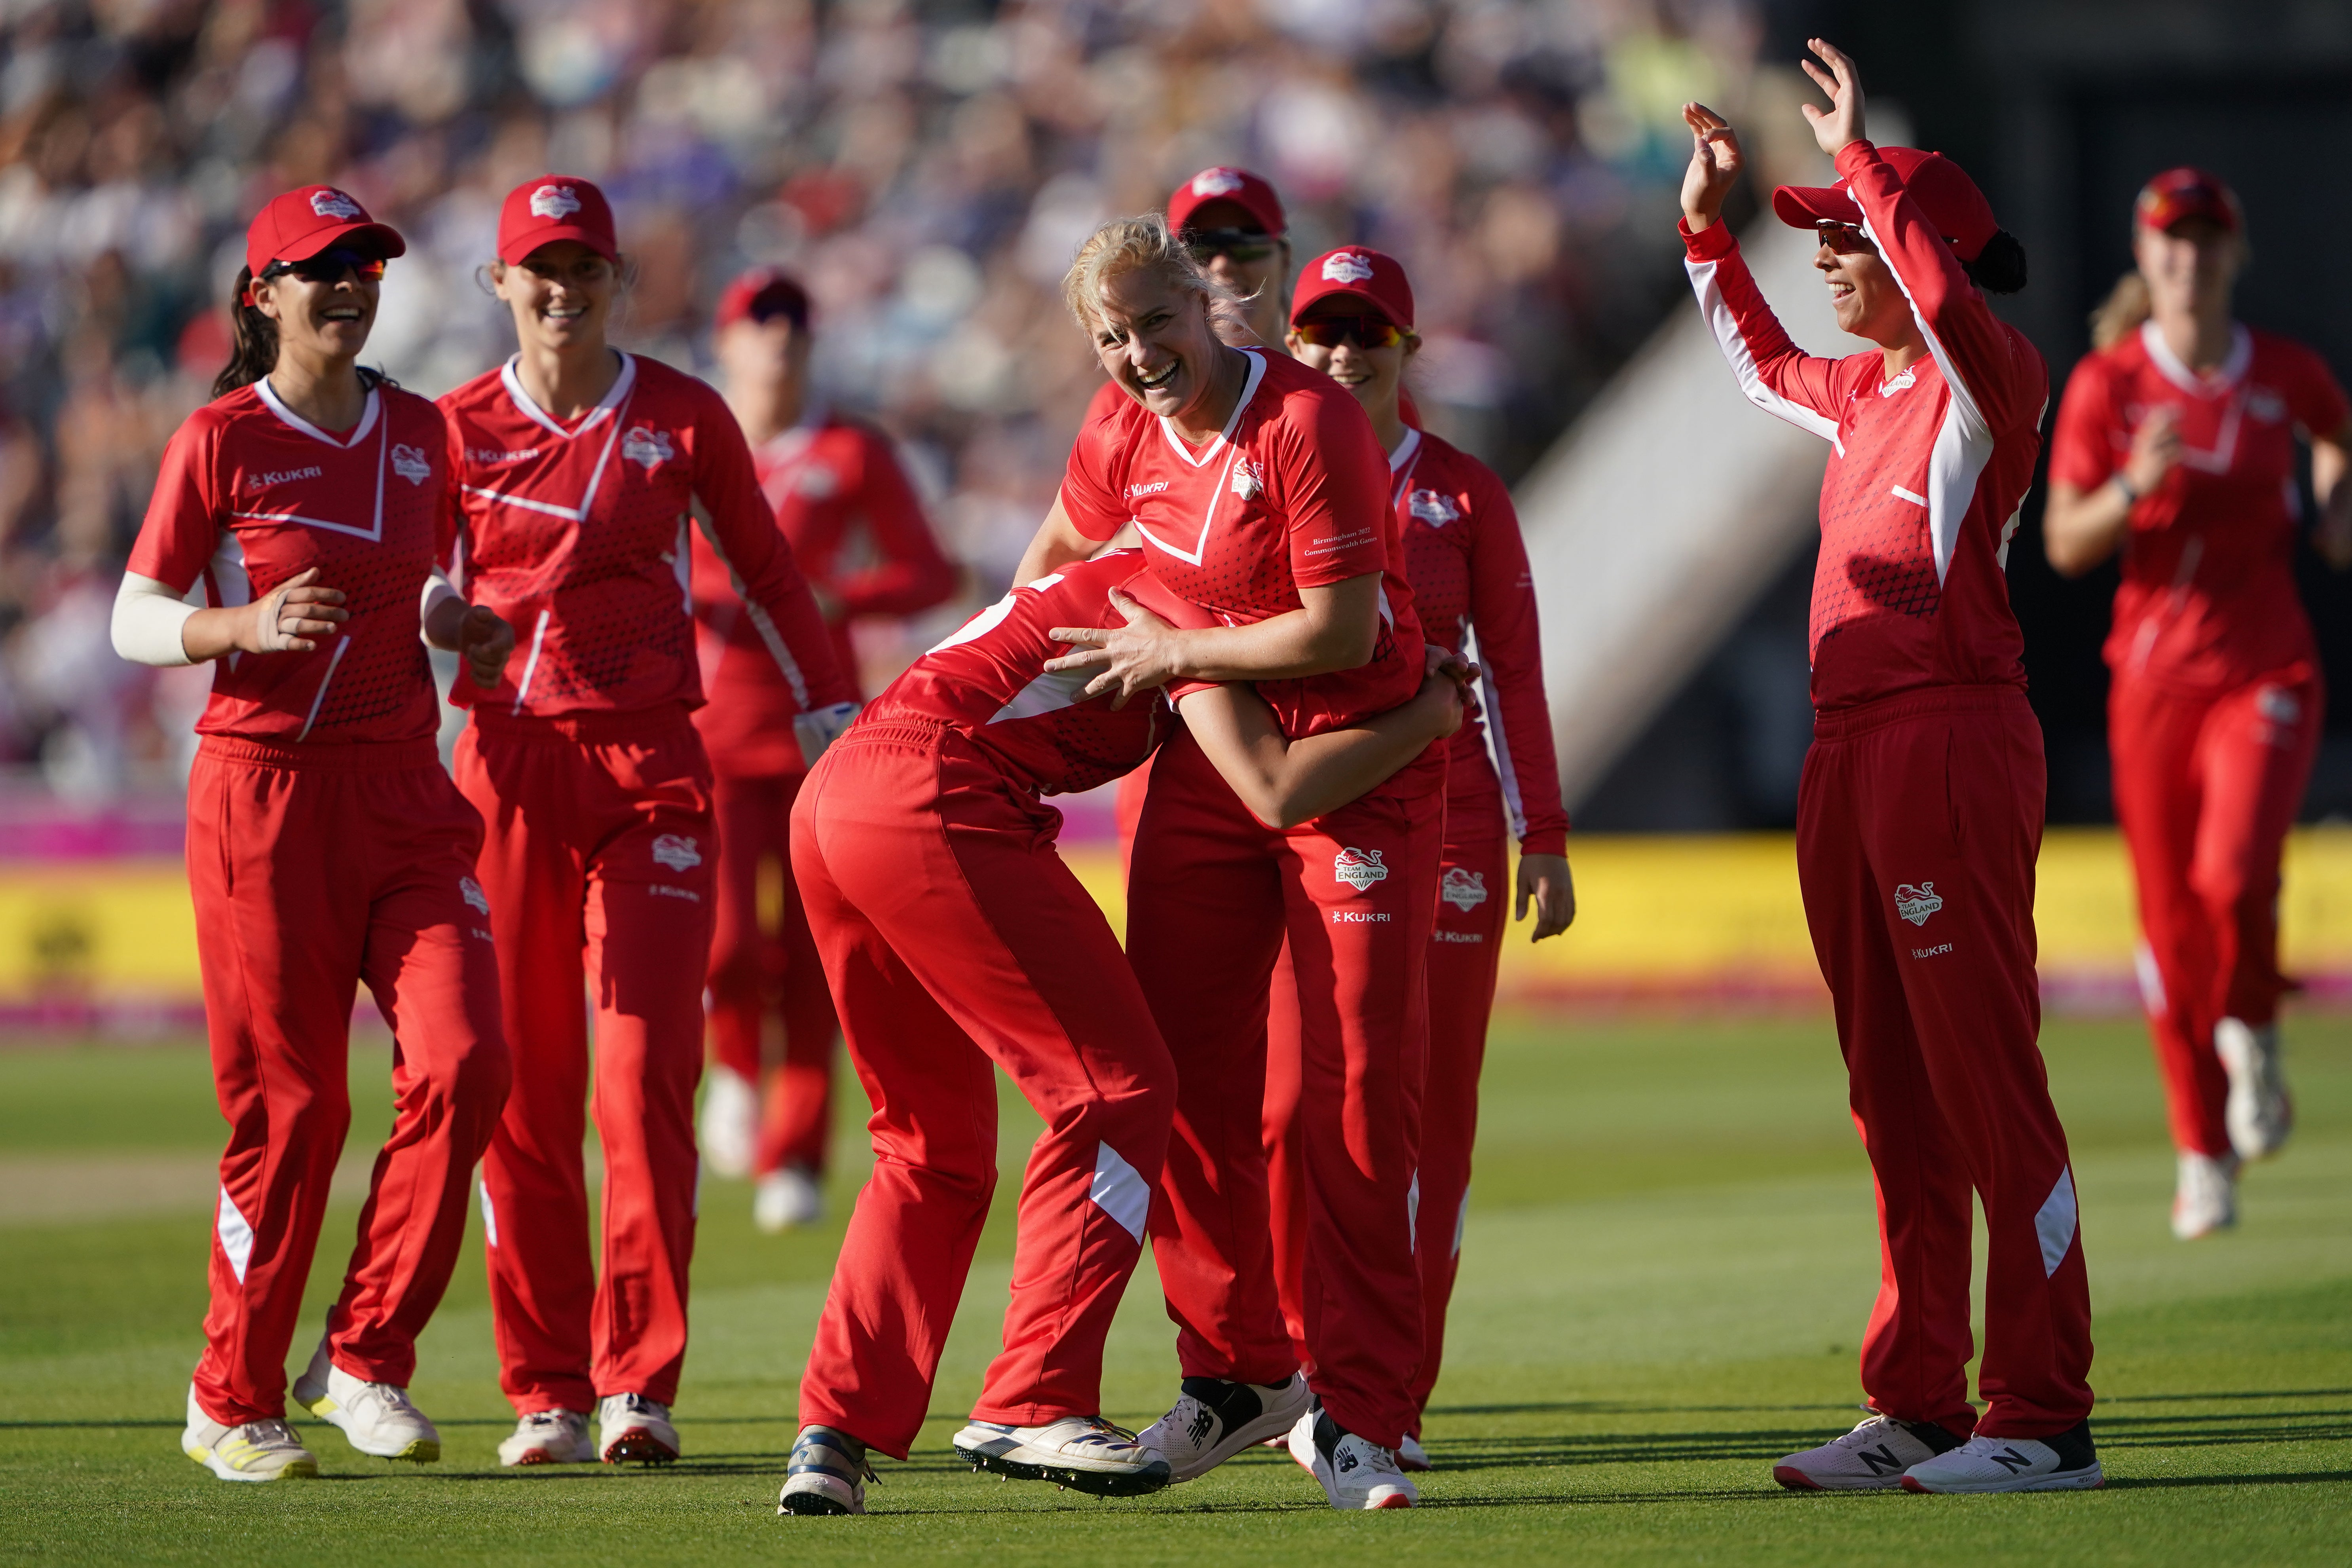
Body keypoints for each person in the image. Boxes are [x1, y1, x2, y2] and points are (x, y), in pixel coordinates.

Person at [777, 549, 1474, 1516]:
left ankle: (833, 1434)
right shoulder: (1191, 594)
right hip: (932, 797)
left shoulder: (1132, 557)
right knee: (1120, 1088)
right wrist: (1430, 716)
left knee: (927, 1148)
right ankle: (1034, 1397)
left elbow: (1062, 537)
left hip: (835, 796)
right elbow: (1274, 788)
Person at [1679, 42, 2100, 1493]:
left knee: (1984, 1079)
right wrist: (1701, 231)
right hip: (1847, 752)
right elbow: (1753, 361)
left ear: (1918, 253)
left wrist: (1870, 160)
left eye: (1844, 237)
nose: (1827, 258)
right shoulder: (1860, 400)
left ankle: (2042, 1416)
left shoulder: (1990, 378)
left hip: (1949, 733)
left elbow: (1940, 294)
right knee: (1894, 1095)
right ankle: (1918, 1400)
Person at [1020, 214, 1441, 1511]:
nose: (1140, 354)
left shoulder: (1309, 423)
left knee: (1354, 1096)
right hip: (1202, 768)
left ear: (1206, 303)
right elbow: (1049, 572)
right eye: (1112, 336)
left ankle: (1366, 1413)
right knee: (1180, 1080)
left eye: (1156, 321)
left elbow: (1340, 626)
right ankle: (1237, 1376)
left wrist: (1175, 656)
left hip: (1359, 762)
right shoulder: (1113, 433)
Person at [439, 176, 855, 1469]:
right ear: (500, 285)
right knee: (529, 1090)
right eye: (536, 269)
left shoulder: (681, 414)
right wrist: (439, 624)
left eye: (584, 267)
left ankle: (638, 1384)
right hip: (506, 766)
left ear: (621, 280)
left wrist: (834, 712)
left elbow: (773, 570)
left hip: (649, 771)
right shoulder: (446, 426)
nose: (561, 290)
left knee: (640, 1079)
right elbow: (408, 591)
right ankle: (546, 1389)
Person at [112, 185, 514, 1482]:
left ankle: (362, 1359)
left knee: (466, 1062)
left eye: (367, 266)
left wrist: (452, 622)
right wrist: (237, 629)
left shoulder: (418, 428)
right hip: (261, 799)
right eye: (323, 267)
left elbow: (429, 573)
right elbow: (135, 613)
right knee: (293, 1113)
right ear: (262, 295)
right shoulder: (221, 438)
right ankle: (229, 1399)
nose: (351, 284)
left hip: (401, 790)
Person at [1274, 245, 1575, 1470]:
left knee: (1429, 1119)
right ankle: (1306, 1368)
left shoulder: (1462, 493)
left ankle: (1388, 1396)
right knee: (1301, 1105)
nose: (1344, 355)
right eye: (1323, 335)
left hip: (1447, 829)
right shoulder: (1271, 469)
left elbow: (1513, 671)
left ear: (1405, 351)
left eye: (1367, 336)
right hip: (1314, 823)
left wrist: (1540, 833)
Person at [2044, 169, 2352, 1240]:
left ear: (2236, 253)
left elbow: (2335, 430)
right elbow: (2065, 543)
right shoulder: (2109, 385)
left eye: (2211, 239)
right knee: (2169, 935)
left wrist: (2332, 504)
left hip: (2265, 668)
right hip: (2153, 684)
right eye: (2175, 241)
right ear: (2145, 253)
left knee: (2232, 875)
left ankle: (2256, 1031)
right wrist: (2132, 485)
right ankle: (2201, 1150)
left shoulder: (2282, 372)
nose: (2193, 258)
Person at [692, 266, 954, 1232]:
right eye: (758, 322)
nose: (779, 339)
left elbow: (927, 568)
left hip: (816, 729)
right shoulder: (687, 441)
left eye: (794, 323)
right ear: (725, 341)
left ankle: (793, 1154)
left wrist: (833, 595)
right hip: (708, 729)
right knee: (722, 942)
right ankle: (730, 1068)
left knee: (815, 954)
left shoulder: (851, 450)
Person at [1107, 166, 1299, 859]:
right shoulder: (1138, 401)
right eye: (1199, 247)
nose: (1223, 265)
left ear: (1285, 257)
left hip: (1316, 739)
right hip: (1181, 740)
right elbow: (1072, 557)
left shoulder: (1347, 391)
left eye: (1245, 245)